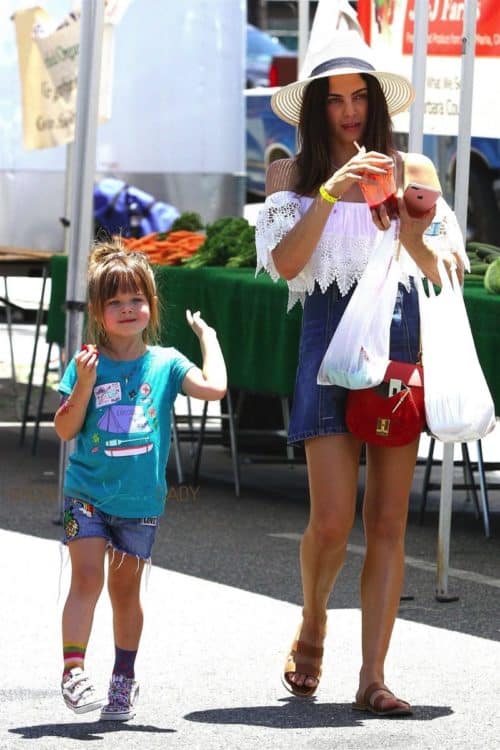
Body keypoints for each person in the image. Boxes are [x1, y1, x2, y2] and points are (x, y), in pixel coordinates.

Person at [255, 31, 467, 716]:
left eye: (358, 98)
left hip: (399, 342)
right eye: (335, 101)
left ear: (375, 105)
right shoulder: (290, 175)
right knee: (331, 519)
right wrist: (329, 194)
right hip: (327, 344)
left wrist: (407, 227)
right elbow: (287, 265)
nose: (348, 111)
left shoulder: (415, 173)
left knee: (389, 519)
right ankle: (314, 621)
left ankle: (372, 675)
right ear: (316, 110)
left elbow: (441, 272)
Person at [55, 240, 227, 720]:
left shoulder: (167, 362)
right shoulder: (86, 363)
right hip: (86, 495)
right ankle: (73, 670)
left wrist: (207, 337)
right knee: (87, 578)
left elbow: (215, 388)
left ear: (151, 306)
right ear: (97, 311)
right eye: (115, 302)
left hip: (139, 502)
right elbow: (65, 428)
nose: (128, 309)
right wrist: (85, 386)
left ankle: (123, 677)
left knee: (125, 593)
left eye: (137, 300)